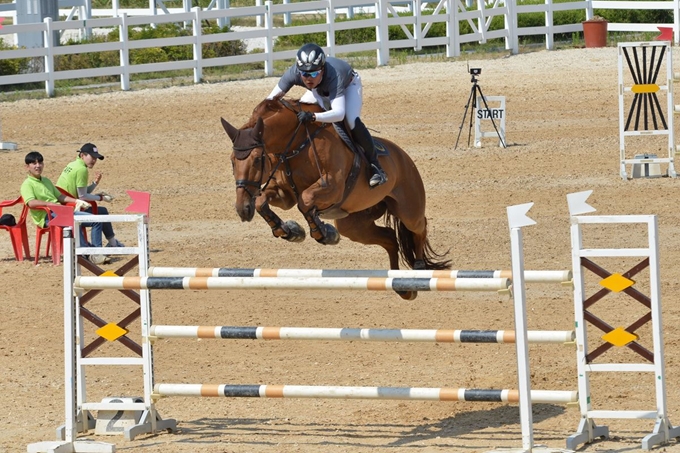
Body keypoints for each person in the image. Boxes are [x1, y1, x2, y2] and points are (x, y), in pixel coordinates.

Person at [266, 43, 387, 188]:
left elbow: (339, 114)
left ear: (322, 69)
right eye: (304, 74)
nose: (308, 78)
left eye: (313, 73)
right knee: (300, 109)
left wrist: (313, 117)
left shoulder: (333, 76)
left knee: (350, 121)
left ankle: (376, 167)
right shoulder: (295, 73)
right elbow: (270, 101)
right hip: (318, 90)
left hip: (348, 86)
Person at [20, 151, 103, 262]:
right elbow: (31, 203)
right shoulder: (27, 184)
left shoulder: (46, 181)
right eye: (34, 163)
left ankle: (96, 253)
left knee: (96, 220)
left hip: (61, 212)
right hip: (47, 217)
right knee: (72, 221)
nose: (38, 166)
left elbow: (60, 197)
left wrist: (77, 201)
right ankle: (87, 253)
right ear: (27, 167)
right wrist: (49, 204)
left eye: (40, 163)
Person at [56, 143, 124, 252]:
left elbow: (80, 192)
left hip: (64, 206)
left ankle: (113, 244)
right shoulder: (82, 170)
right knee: (99, 216)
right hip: (71, 209)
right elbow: (82, 197)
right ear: (82, 155)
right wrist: (101, 198)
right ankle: (98, 251)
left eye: (96, 158)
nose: (94, 160)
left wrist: (94, 183)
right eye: (92, 157)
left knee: (102, 211)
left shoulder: (72, 164)